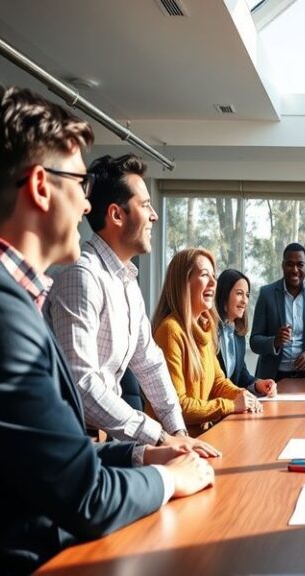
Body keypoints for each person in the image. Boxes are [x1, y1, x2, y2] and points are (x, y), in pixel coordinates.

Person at [0, 83, 214, 574]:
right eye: (78, 185)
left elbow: (69, 461)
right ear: (42, 186)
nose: (86, 206)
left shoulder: (15, 291)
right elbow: (82, 493)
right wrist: (170, 478)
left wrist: (157, 448)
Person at [44, 153, 218, 455]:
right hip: (72, 443)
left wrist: (178, 432)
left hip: (106, 438)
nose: (154, 216)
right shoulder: (83, 276)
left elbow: (149, 364)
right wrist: (161, 437)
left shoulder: (126, 281)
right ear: (116, 215)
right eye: (146, 205)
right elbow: (82, 384)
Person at [153, 250, 262, 436]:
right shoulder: (170, 330)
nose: (213, 283)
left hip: (202, 435)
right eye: (205, 275)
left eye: (214, 276)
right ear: (183, 283)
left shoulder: (205, 328)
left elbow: (218, 382)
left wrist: (243, 396)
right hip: (177, 442)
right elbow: (179, 406)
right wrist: (231, 405)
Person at [250, 242, 305, 379]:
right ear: (283, 266)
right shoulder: (266, 294)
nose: (295, 270)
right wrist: (275, 341)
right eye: (290, 264)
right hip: (272, 377)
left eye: (300, 264)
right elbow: (254, 341)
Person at [215, 268, 277, 396]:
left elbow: (241, 375)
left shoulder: (238, 335)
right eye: (239, 293)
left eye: (247, 295)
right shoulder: (209, 331)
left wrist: (258, 384)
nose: (245, 301)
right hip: (213, 408)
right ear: (224, 295)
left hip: (232, 407)